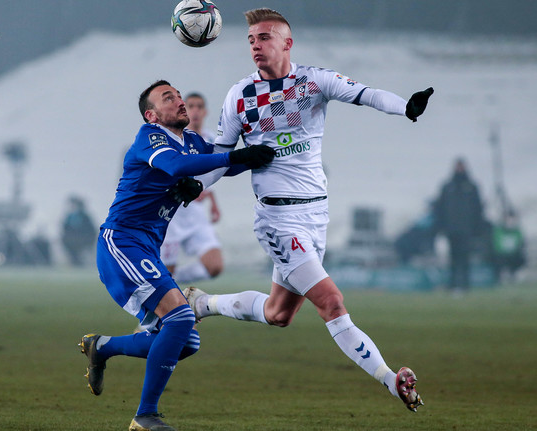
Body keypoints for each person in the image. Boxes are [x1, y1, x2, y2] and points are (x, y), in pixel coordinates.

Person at [186, 8, 433, 413]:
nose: (255, 45)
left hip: (316, 215)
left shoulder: (313, 81)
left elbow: (367, 94)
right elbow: (219, 160)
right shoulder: (240, 96)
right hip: (278, 220)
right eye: (250, 39)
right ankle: (391, 380)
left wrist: (405, 106)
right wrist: (198, 182)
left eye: (264, 37)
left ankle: (202, 304)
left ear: (287, 43)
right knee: (332, 302)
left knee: (278, 313)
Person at [78, 79, 275, 431]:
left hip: (145, 248)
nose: (180, 101)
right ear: (152, 115)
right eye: (169, 98)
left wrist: (257, 154)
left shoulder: (193, 142)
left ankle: (103, 346)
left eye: (179, 95)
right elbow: (175, 166)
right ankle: (145, 416)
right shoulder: (149, 137)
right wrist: (234, 156)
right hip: (121, 243)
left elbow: (219, 165)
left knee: (187, 342)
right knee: (181, 320)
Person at [161, 93, 224, 283]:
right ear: (184, 110)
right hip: (172, 215)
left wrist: (213, 203)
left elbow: (210, 174)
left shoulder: (210, 139)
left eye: (199, 106)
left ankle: (175, 281)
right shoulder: (172, 137)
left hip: (195, 214)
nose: (195, 111)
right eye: (191, 106)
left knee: (215, 266)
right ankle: (166, 285)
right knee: (166, 271)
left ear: (205, 112)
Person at [433, 158, 485, 292]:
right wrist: (441, 227)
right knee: (453, 258)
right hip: (451, 229)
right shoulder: (447, 187)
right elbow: (440, 209)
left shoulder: (472, 187)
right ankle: (452, 284)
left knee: (465, 258)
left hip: (467, 230)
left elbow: (478, 209)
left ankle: (465, 285)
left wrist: (477, 229)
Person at [61, 195, 97, 266]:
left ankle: (78, 260)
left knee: (76, 243)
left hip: (84, 239)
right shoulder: (69, 217)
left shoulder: (85, 217)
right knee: (68, 242)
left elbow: (91, 230)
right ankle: (75, 260)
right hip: (71, 240)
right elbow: (65, 229)